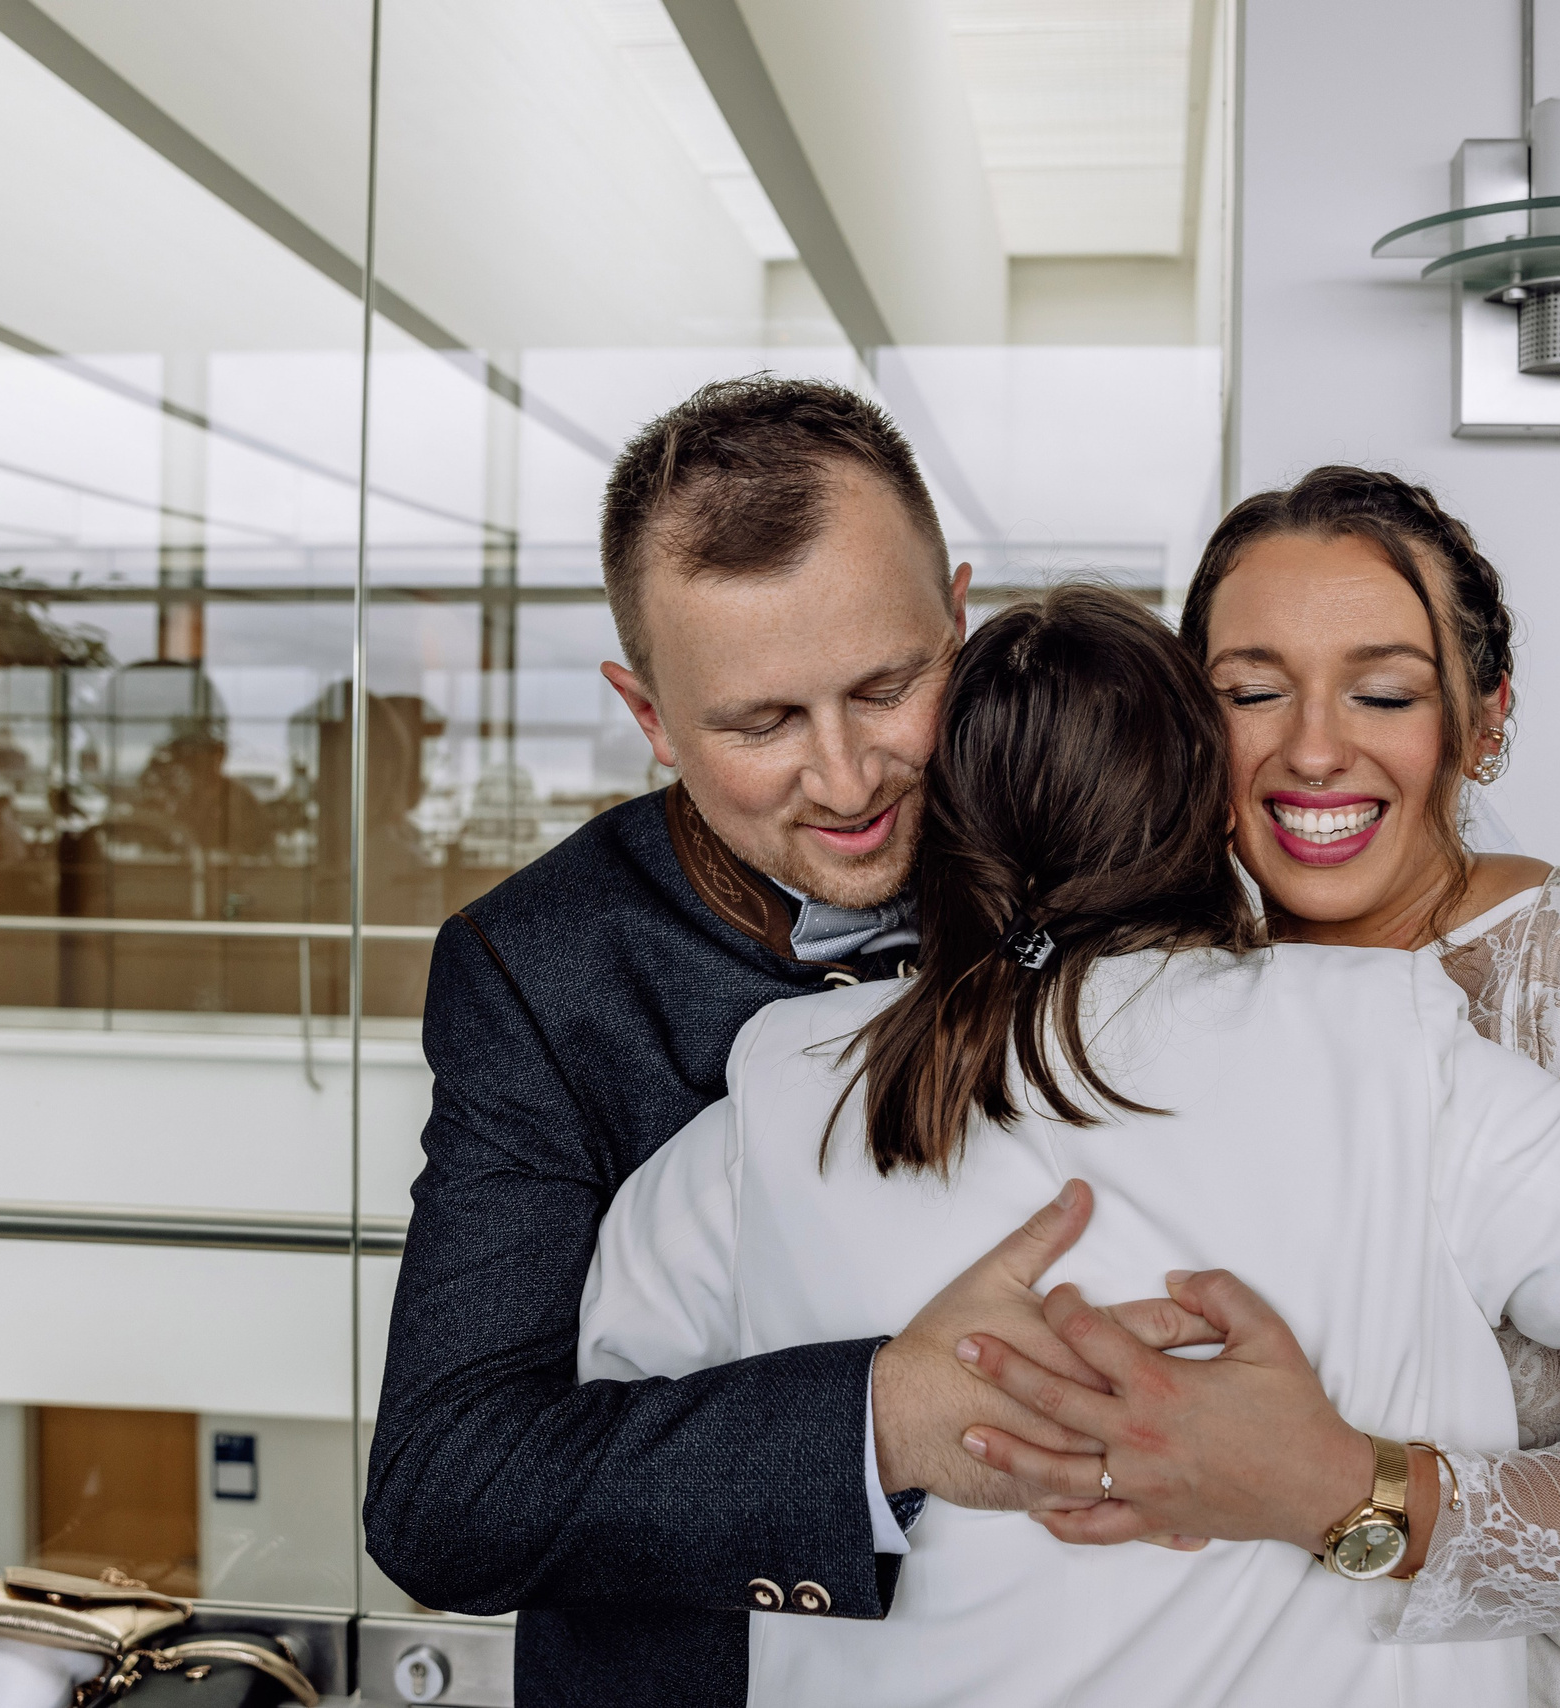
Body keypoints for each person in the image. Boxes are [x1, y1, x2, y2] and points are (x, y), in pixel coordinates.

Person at [577, 587, 1560, 1708]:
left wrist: (887, 1414)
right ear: (1207, 802)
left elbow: (598, 1469)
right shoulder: (1391, 1047)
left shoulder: (782, 1084)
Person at [960, 469, 1560, 1706]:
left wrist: (1333, 1487)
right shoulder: (1163, 985)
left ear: (1481, 719)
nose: (1312, 749)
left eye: (1385, 693)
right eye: (1252, 693)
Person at [364, 379, 1150, 1705]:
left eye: (889, 687)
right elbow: (447, 1494)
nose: (847, 780)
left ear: (959, 621)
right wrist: (881, 1419)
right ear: (649, 716)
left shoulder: (1105, 835)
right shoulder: (537, 969)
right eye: (760, 723)